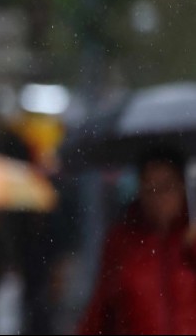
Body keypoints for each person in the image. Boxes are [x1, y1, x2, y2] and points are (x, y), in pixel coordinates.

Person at [76, 143, 196, 334]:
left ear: (182, 186)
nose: (159, 198)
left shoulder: (191, 235)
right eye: (150, 189)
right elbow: (101, 309)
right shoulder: (123, 241)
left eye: (166, 187)